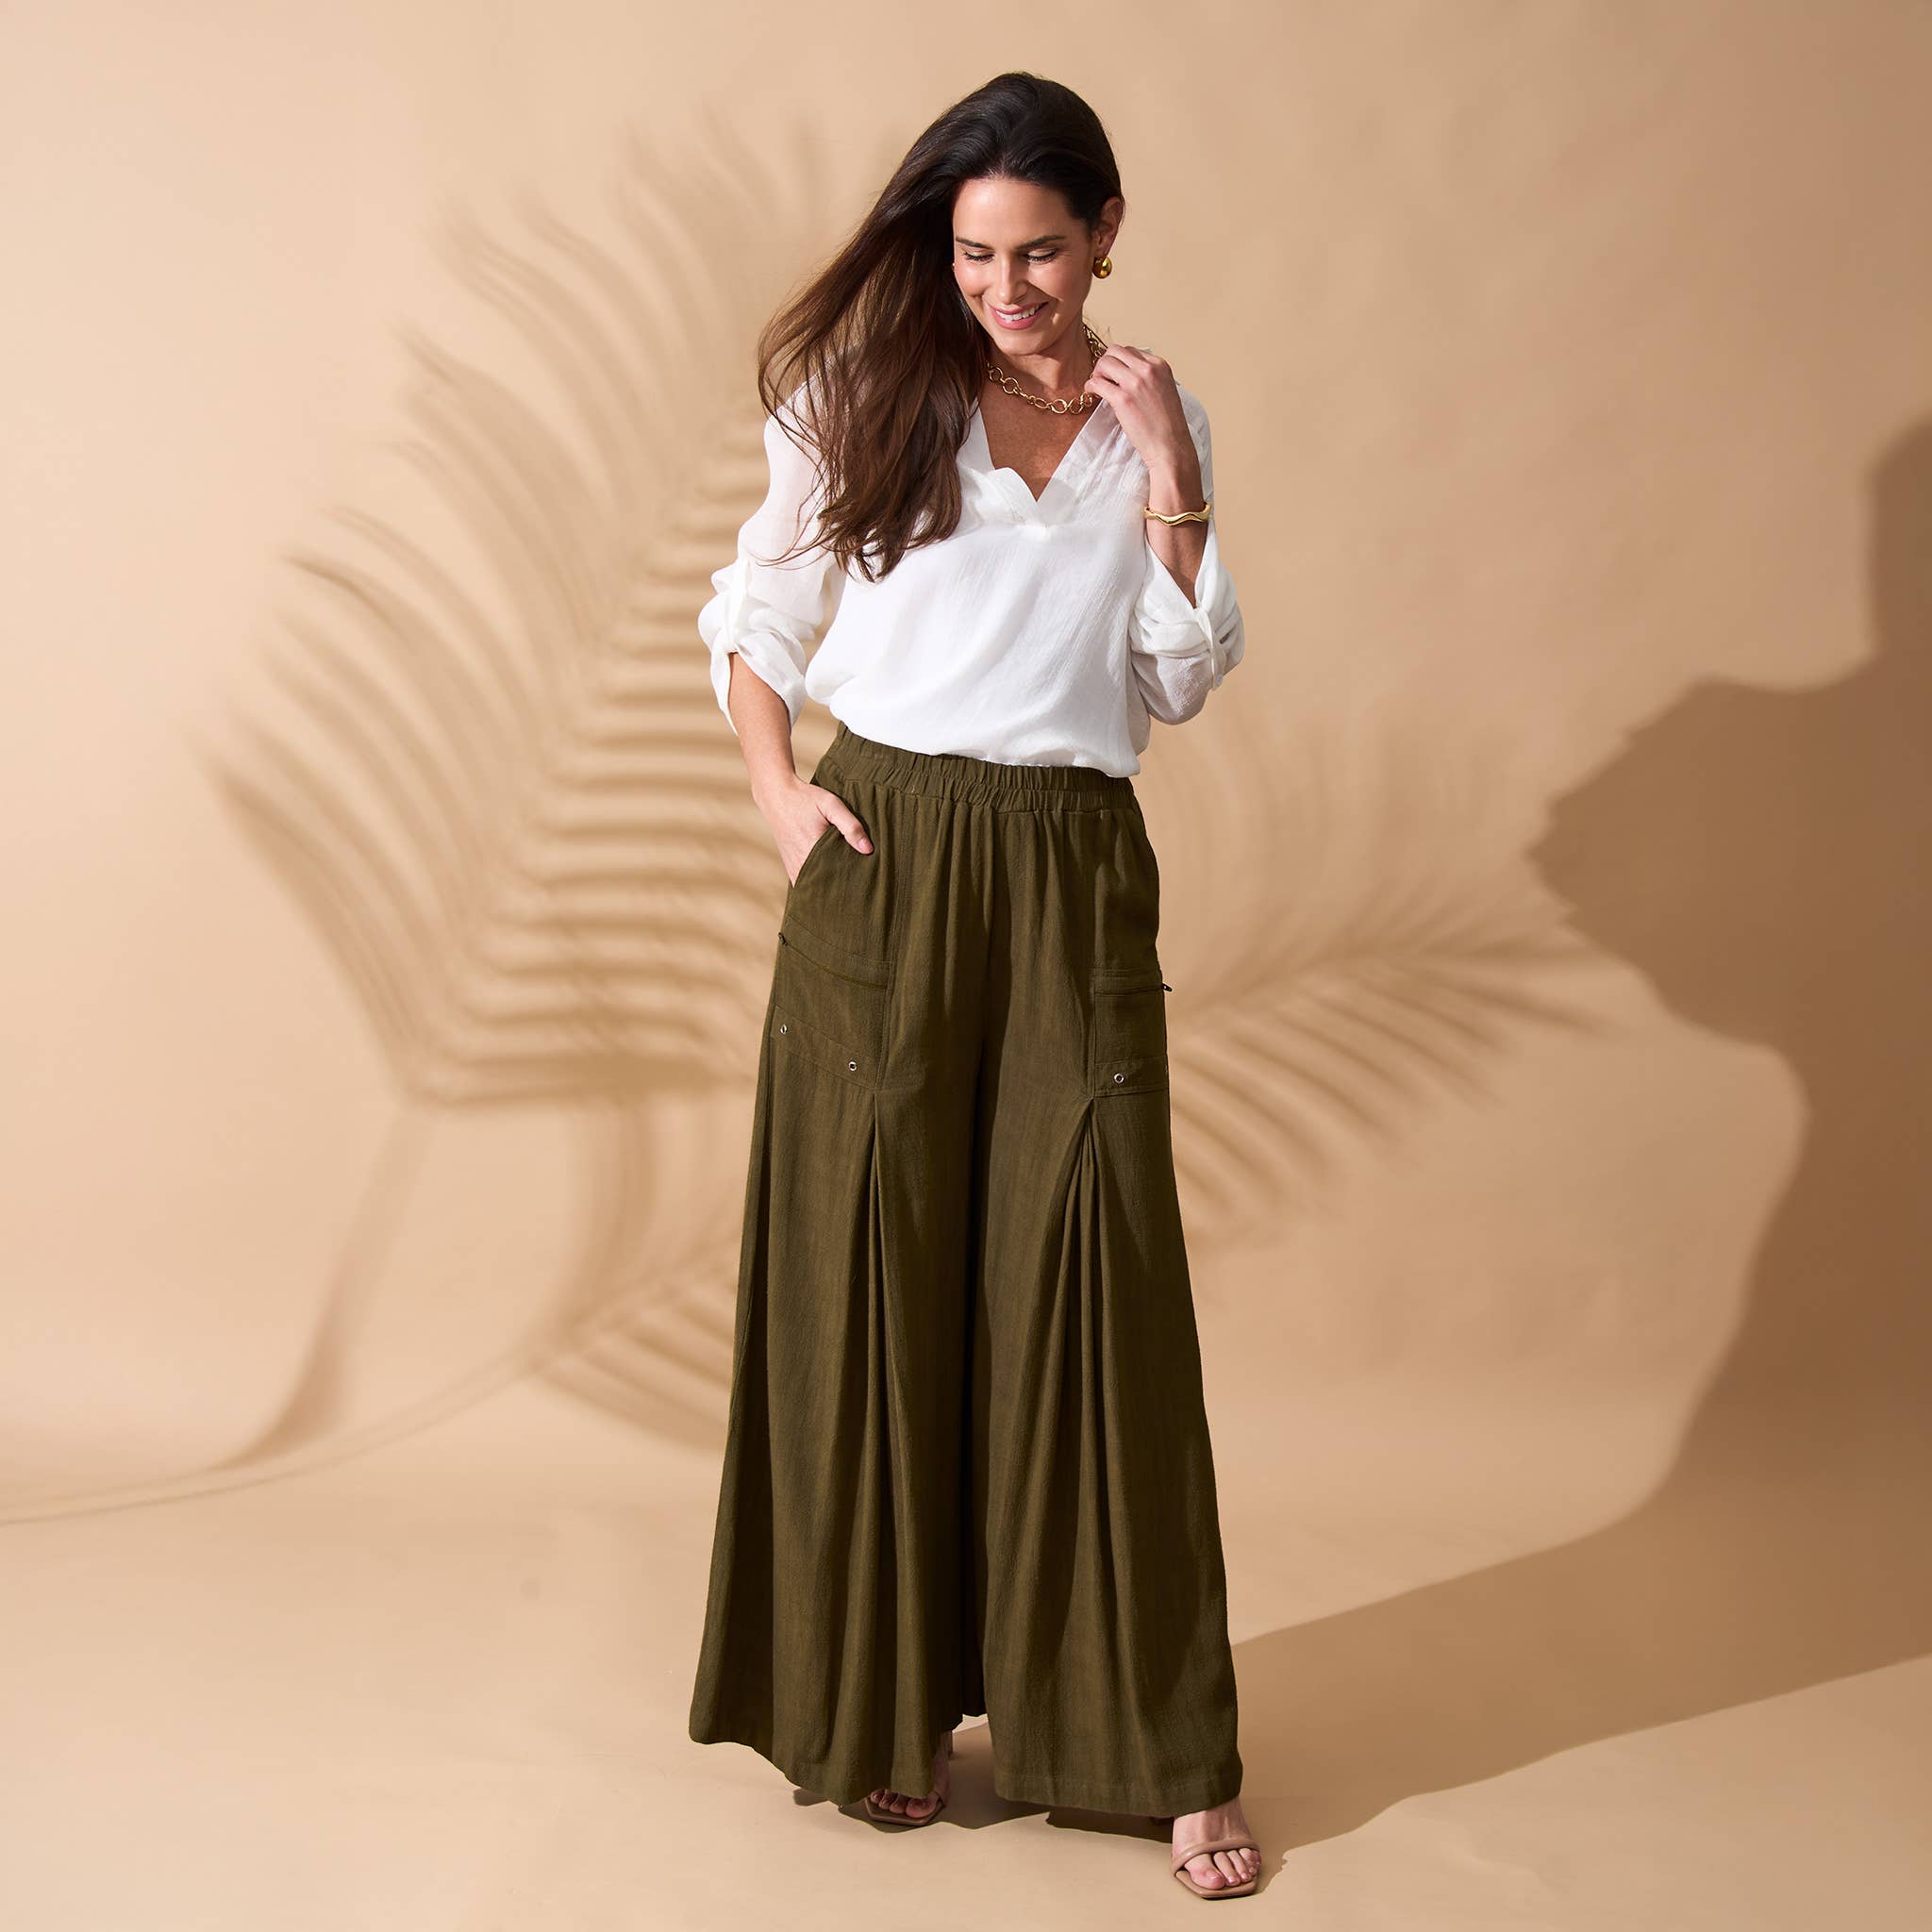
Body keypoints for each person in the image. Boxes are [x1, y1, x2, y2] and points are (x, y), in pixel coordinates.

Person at [686, 70, 1262, 1902]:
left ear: (1105, 237)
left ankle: (1157, 1748)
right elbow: (755, 616)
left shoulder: (1150, 418)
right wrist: (780, 797)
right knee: (879, 1272)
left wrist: (1173, 478)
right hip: (888, 857)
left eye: (1042, 253)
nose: (1009, 288)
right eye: (975, 254)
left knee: (1095, 1282)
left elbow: (1174, 682)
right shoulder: (864, 397)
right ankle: (885, 1711)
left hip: (1072, 864)